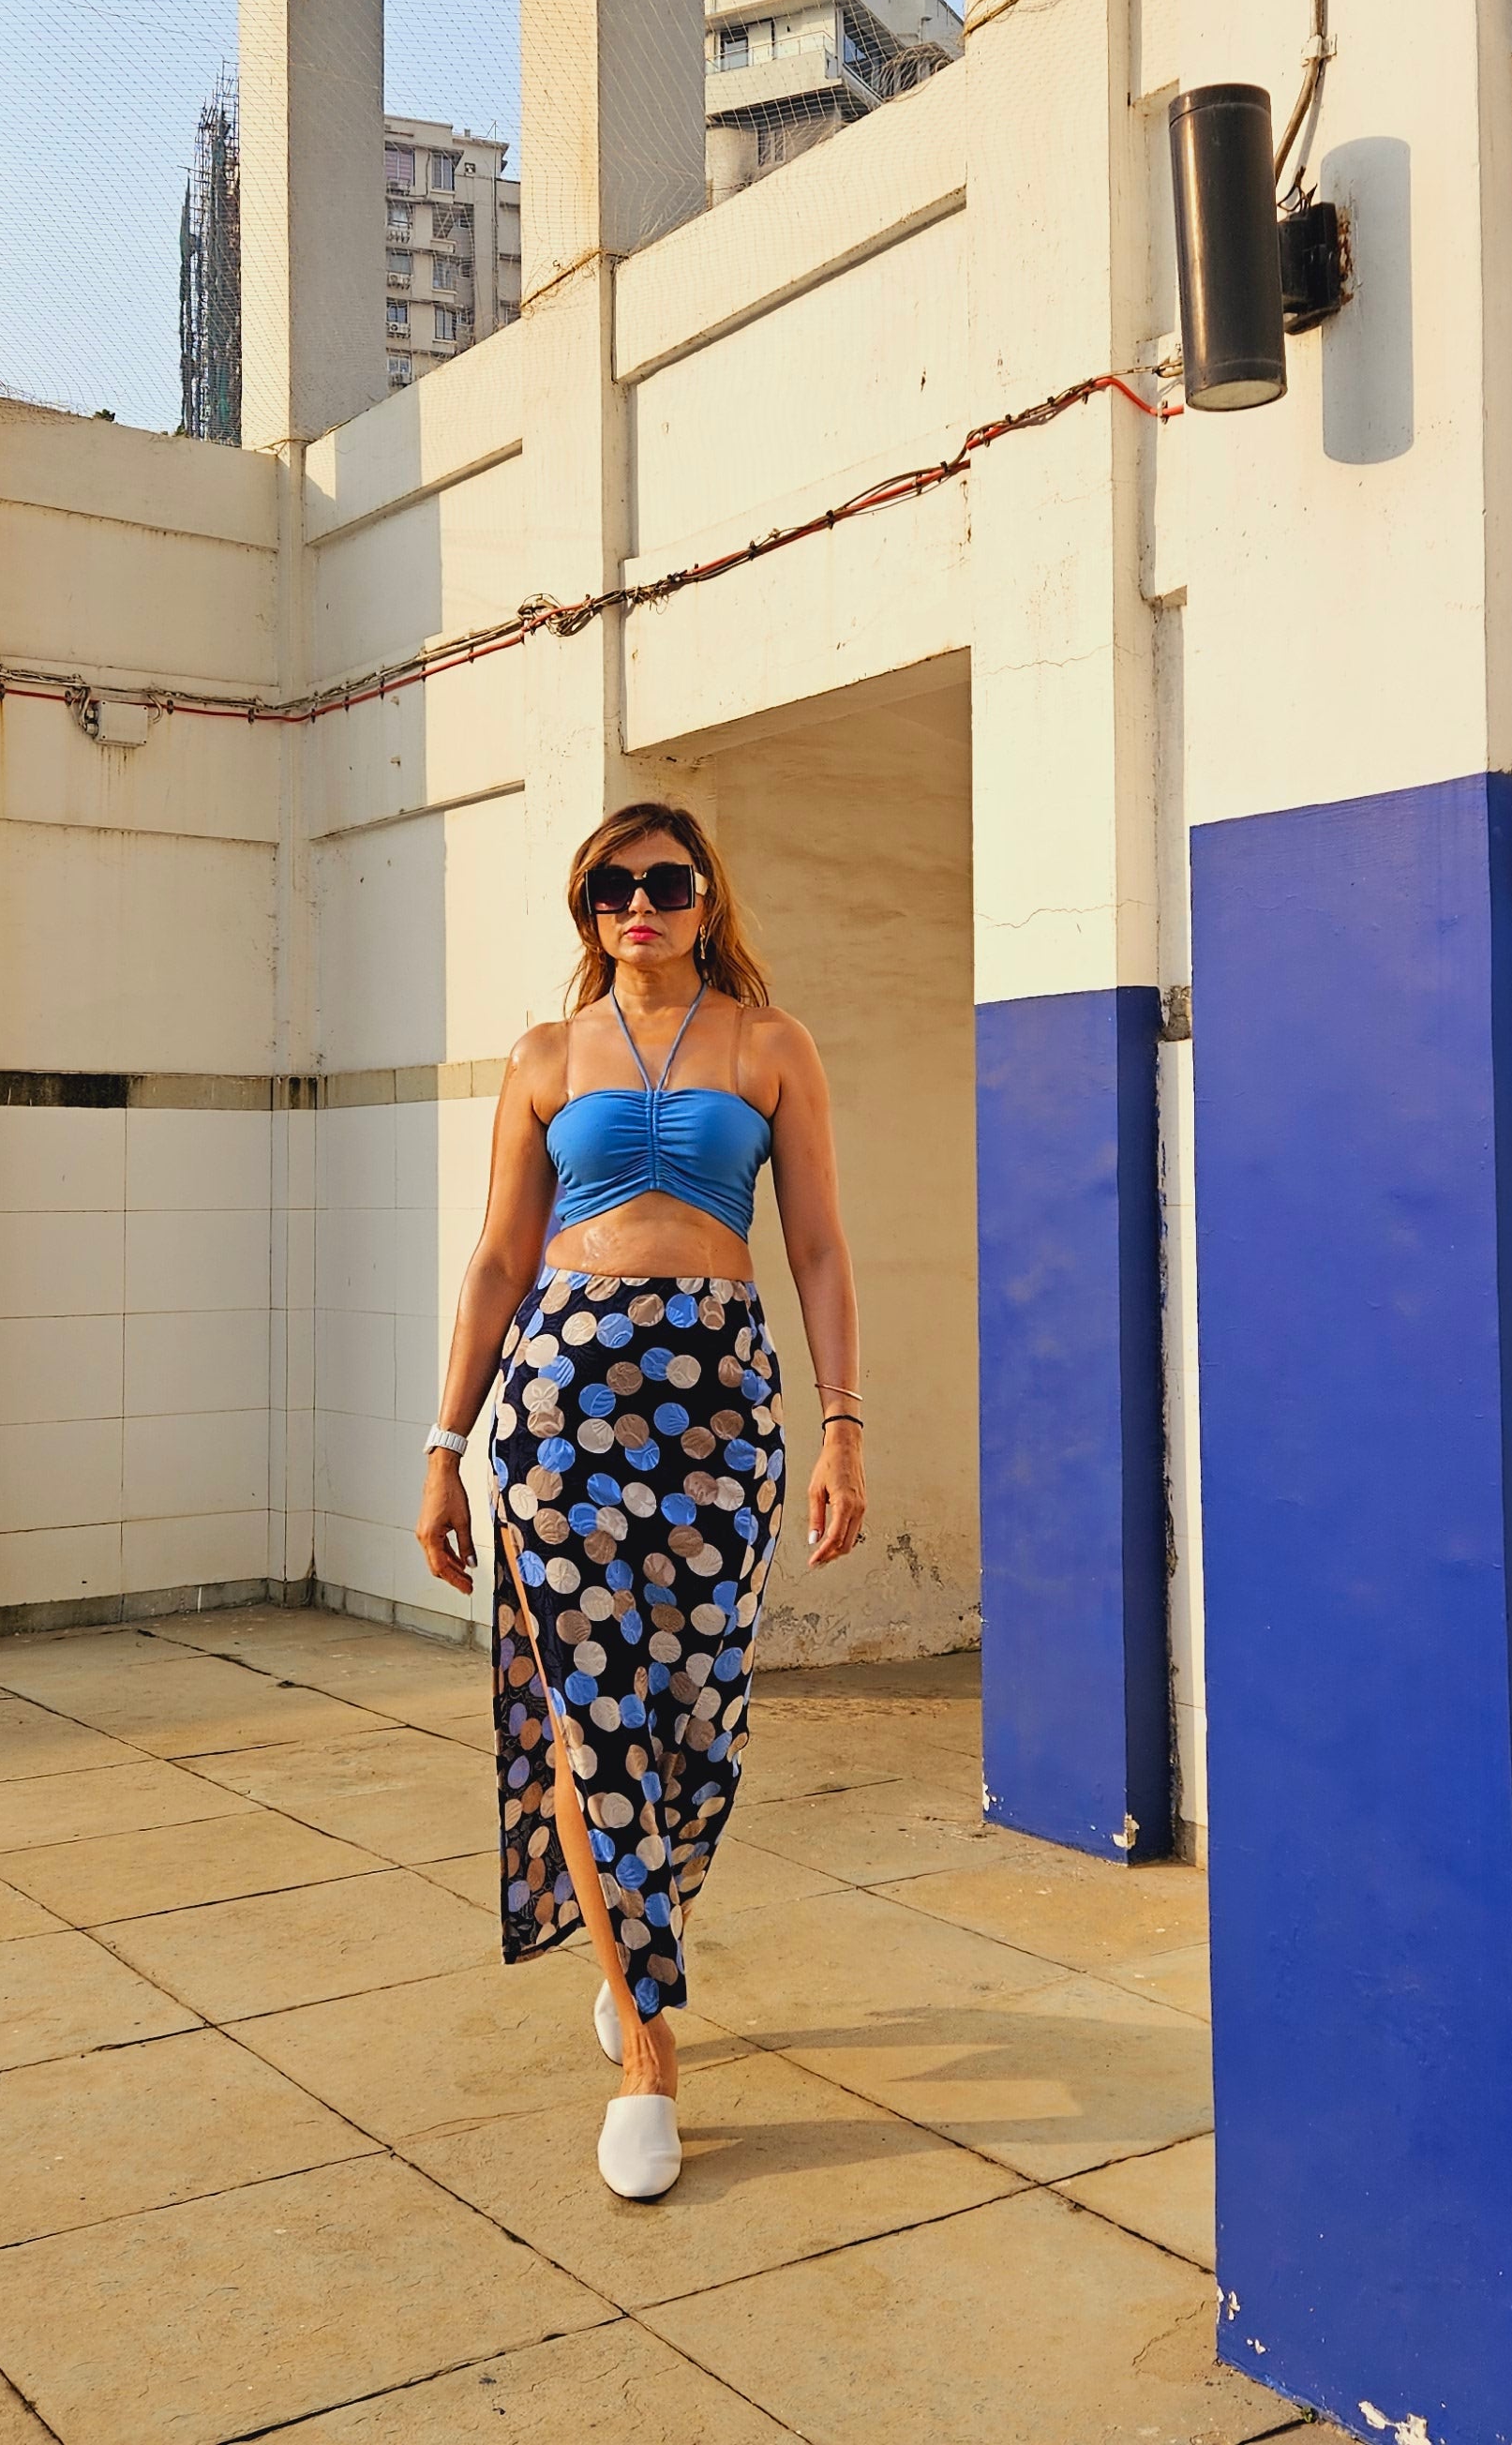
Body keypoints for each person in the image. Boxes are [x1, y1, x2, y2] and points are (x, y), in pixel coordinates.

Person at [415, 801, 866, 2199]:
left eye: (664, 882)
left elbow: (821, 1251)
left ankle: (633, 1925)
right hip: (563, 1406)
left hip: (722, 1403)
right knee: (590, 1708)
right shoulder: (547, 1057)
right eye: (610, 888)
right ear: (587, 909)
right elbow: (499, 1259)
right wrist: (445, 1439)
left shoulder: (770, 1045)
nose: (638, 906)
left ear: (707, 897)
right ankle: (649, 2050)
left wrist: (843, 1426)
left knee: (700, 1717)